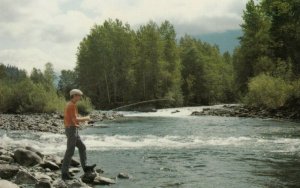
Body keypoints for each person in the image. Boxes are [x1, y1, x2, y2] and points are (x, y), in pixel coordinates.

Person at [61, 89, 96, 180]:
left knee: (82, 147)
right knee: (70, 151)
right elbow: (75, 119)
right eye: (79, 95)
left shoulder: (72, 105)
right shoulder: (71, 105)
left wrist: (85, 119)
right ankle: (64, 173)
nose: (80, 97)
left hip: (73, 129)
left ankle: (85, 167)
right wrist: (86, 118)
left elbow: (74, 119)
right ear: (74, 95)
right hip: (71, 130)